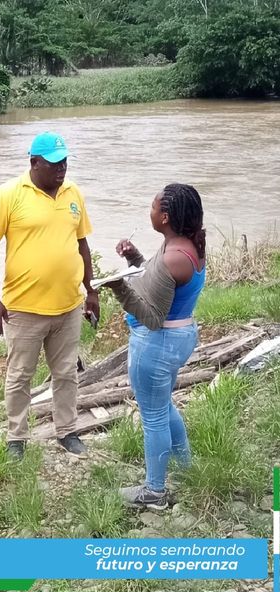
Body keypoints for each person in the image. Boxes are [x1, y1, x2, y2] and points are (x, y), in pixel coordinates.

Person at [0, 132, 100, 460]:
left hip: (68, 306)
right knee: (19, 376)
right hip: (23, 309)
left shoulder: (73, 193)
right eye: (54, 163)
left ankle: (67, 431)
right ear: (34, 162)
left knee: (66, 373)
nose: (62, 168)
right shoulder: (7, 195)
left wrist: (91, 290)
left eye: (65, 162)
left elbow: (82, 244)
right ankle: (16, 438)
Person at [102, 183, 206, 509]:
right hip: (178, 337)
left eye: (152, 206)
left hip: (157, 344)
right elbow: (155, 281)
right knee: (163, 406)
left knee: (154, 418)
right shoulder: (183, 246)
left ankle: (155, 492)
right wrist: (135, 258)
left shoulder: (174, 257)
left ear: (165, 217)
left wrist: (117, 287)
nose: (149, 211)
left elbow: (151, 316)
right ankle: (186, 468)